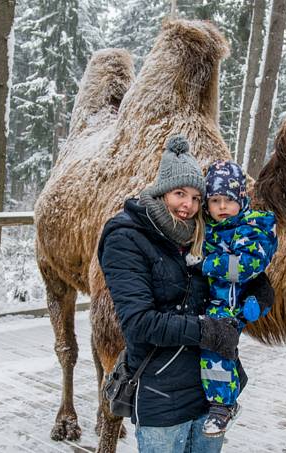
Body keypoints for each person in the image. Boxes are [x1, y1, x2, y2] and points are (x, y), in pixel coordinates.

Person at [97, 135, 245, 452]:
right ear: (162, 190)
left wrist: (260, 294)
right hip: (160, 395)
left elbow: (236, 275)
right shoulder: (127, 238)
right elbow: (139, 323)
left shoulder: (203, 235)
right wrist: (207, 330)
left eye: (195, 197)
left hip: (209, 392)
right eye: (180, 193)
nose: (187, 205)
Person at [197, 159, 278, 437]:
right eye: (215, 200)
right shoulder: (210, 229)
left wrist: (207, 264)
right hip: (211, 301)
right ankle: (235, 378)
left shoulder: (252, 228)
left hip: (232, 305)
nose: (221, 207)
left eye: (228, 200)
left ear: (241, 199)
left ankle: (222, 406)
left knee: (215, 344)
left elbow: (245, 267)